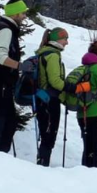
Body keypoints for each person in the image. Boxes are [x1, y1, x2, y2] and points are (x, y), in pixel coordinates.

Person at [0, 0, 30, 152]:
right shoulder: (5, 30)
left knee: (6, 119)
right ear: (15, 13)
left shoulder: (5, 28)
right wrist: (19, 66)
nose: (24, 16)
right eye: (23, 13)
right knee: (1, 119)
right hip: (0, 81)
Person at [34, 27, 79, 166]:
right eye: (65, 39)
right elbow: (55, 81)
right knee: (49, 135)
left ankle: (41, 163)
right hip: (50, 100)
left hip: (41, 98)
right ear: (57, 39)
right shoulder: (53, 55)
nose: (66, 42)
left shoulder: (43, 53)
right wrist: (73, 88)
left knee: (45, 134)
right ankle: (42, 165)